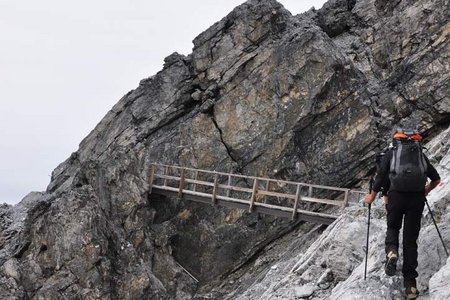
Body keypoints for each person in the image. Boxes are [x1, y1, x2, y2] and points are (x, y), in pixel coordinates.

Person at [365, 131, 441, 299]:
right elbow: (436, 179)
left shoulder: (391, 153)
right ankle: (410, 287)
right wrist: (425, 191)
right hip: (416, 200)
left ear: (395, 141)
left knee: (393, 227)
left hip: (396, 197)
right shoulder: (420, 156)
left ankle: (392, 252)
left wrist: (371, 197)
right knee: (410, 241)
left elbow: (380, 177)